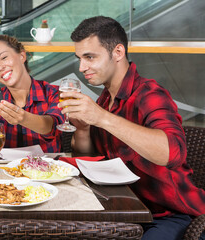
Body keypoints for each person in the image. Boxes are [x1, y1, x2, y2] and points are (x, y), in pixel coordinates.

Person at [58, 16, 205, 240]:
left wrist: (101, 118)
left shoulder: (149, 93)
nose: (81, 67)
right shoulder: (105, 100)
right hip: (125, 210)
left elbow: (172, 153)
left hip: (169, 214)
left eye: (89, 57)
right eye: (79, 58)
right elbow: (91, 159)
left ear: (118, 52)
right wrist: (83, 129)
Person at [0, 35, 65, 152]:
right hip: (7, 168)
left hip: (48, 168)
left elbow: (52, 126)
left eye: (3, 58)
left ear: (22, 56)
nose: (0, 67)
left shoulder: (54, 93)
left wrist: (23, 118)